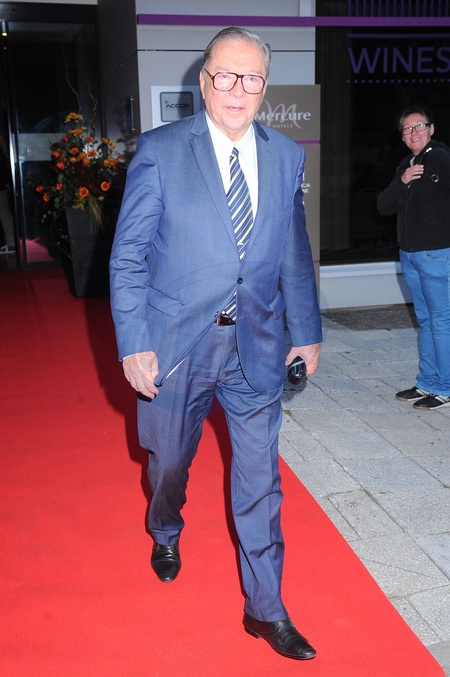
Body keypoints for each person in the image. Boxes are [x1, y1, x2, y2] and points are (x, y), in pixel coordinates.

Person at [109, 26, 322, 660]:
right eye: (225, 75)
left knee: (260, 481)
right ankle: (165, 526)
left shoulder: (285, 156)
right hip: (177, 345)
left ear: (264, 86)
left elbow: (294, 249)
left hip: (256, 344)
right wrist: (134, 341)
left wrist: (307, 332)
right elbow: (128, 256)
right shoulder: (161, 151)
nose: (238, 89)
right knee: (170, 464)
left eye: (251, 78)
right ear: (203, 82)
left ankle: (266, 608)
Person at [377, 105, 450, 410]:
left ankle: (445, 387)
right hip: (410, 256)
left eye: (419, 126)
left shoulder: (440, 157)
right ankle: (428, 382)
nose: (414, 132)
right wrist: (403, 180)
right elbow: (383, 205)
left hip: (435, 254)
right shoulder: (406, 164)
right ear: (403, 136)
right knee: (426, 320)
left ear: (431, 128)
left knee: (441, 321)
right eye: (407, 129)